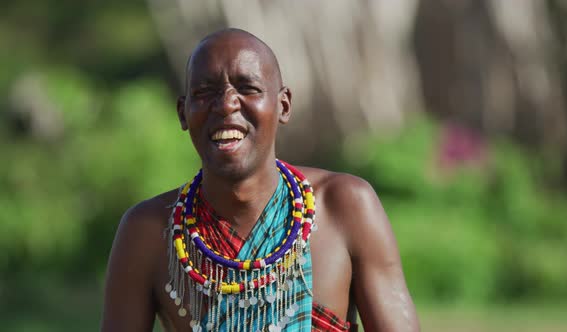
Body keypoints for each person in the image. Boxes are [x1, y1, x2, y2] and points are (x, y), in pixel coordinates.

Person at [101, 28, 419, 332]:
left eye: (248, 88)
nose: (226, 104)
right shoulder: (148, 231)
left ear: (283, 105)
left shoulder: (346, 205)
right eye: (204, 92)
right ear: (184, 113)